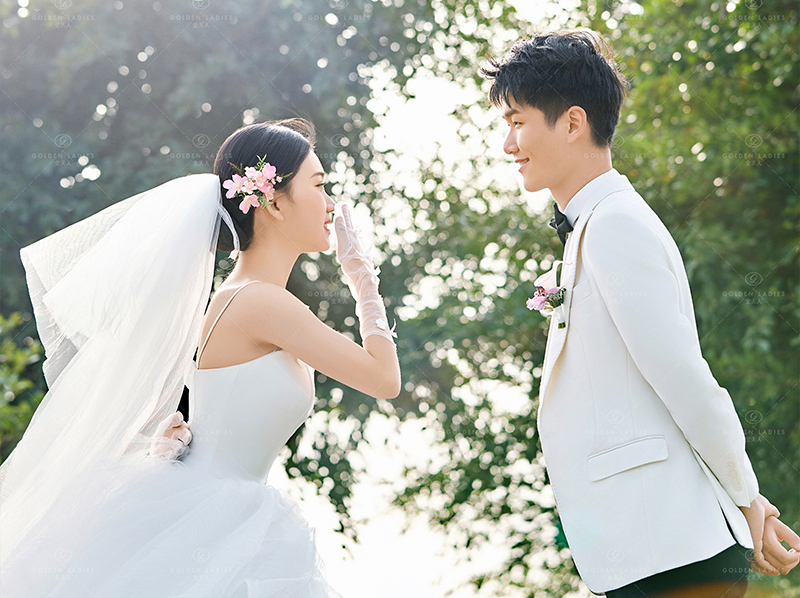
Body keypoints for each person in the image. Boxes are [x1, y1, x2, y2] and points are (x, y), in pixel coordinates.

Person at [0, 118, 400, 597]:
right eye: (318, 185)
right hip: (218, 520)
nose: (331, 203)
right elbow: (384, 379)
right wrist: (362, 278)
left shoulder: (249, 296)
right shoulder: (258, 301)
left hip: (218, 510)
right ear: (274, 202)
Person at [481, 31, 800, 597]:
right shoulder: (596, 225)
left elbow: (686, 381)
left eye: (517, 121)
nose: (507, 144)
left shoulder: (614, 225)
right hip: (647, 549)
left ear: (572, 122)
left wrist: (748, 499)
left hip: (676, 551)